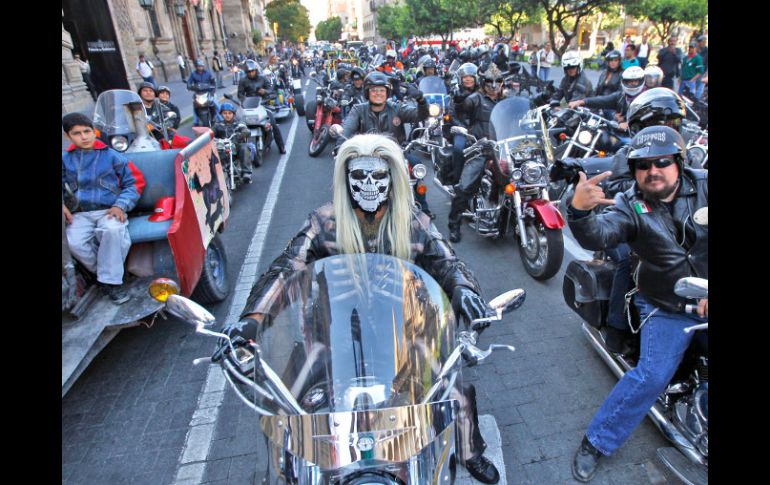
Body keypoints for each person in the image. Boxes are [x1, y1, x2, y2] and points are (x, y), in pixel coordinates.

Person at [221, 133, 502, 484]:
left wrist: (462, 289)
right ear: (345, 180)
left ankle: (471, 450)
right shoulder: (323, 221)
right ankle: (285, 467)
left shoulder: (413, 220)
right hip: (336, 332)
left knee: (456, 389)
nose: (369, 185)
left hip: (401, 329)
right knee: (285, 395)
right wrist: (252, 319)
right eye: (359, 176)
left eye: (378, 176)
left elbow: (447, 262)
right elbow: (285, 268)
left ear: (392, 179)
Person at [567, 124, 707, 482]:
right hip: (665, 304)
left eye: (661, 161)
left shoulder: (705, 184)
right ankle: (596, 442)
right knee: (652, 375)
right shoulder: (630, 205)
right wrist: (580, 212)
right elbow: (600, 233)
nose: (652, 171)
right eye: (643, 165)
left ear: (678, 161)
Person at [62, 112, 139, 305]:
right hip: (80, 213)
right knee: (72, 242)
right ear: (67, 136)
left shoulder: (111, 155)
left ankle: (112, 284)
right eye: (77, 133)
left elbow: (132, 184)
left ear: (94, 131)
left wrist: (120, 205)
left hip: (109, 210)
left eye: (87, 131)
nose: (84, 136)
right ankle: (107, 275)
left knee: (112, 231)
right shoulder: (65, 159)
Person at [339, 71, 433, 218]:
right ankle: (349, 209)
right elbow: (346, 130)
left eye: (382, 90)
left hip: (395, 153)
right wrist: (341, 145)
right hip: (366, 157)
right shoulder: (358, 110)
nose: (378, 93)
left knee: (415, 166)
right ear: (367, 92)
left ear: (387, 92)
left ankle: (423, 208)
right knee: (347, 173)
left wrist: (421, 99)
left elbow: (421, 115)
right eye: (374, 90)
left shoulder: (396, 108)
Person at [447, 63, 507, 243]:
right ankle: (454, 224)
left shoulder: (505, 100)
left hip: (504, 148)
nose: (494, 86)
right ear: (483, 81)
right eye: (490, 81)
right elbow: (461, 106)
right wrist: (458, 100)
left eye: (498, 81)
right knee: (465, 186)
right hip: (482, 148)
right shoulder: (475, 98)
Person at [568, 66, 645, 128]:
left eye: (635, 81)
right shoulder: (621, 96)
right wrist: (581, 102)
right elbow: (602, 100)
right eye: (630, 81)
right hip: (620, 130)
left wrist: (629, 123)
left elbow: (648, 115)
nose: (632, 84)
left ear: (641, 81)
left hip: (638, 135)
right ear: (624, 81)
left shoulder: (645, 97)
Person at [237, 59, 287, 154]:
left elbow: (271, 90)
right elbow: (240, 94)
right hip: (249, 106)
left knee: (273, 124)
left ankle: (281, 146)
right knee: (239, 124)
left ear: (256, 70)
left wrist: (265, 92)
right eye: (249, 72)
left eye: (252, 71)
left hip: (263, 104)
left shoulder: (263, 78)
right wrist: (243, 99)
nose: (251, 73)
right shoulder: (243, 80)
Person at [213, 103, 254, 183]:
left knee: (244, 147)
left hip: (236, 147)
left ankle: (246, 172)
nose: (227, 115)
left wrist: (241, 134)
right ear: (221, 114)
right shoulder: (218, 125)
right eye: (225, 113)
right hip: (223, 148)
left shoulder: (238, 123)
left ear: (233, 114)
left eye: (229, 113)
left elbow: (246, 130)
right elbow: (210, 133)